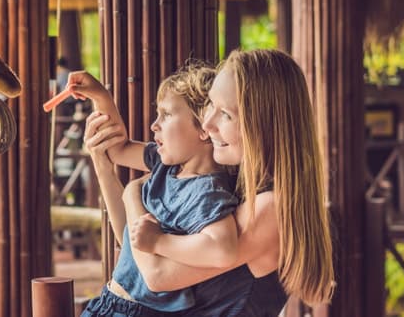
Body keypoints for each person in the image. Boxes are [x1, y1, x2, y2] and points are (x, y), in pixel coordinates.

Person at [110, 49, 335, 315]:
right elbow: (134, 253)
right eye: (210, 107)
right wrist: (104, 167)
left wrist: (133, 193)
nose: (207, 123)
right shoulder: (233, 185)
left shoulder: (270, 208)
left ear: (263, 124)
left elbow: (157, 275)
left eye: (226, 114)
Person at [69, 64, 241, 315]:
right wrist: (101, 97)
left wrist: (159, 241)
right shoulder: (166, 165)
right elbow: (117, 149)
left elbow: (223, 248)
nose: (154, 125)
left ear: (204, 128)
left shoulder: (207, 192)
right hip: (110, 301)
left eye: (167, 114)